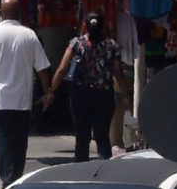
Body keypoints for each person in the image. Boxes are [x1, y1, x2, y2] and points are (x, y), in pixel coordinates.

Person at [0, 0, 49, 188]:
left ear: (0, 13)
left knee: (3, 143)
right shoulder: (29, 35)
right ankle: (15, 180)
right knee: (20, 144)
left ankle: (8, 180)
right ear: (20, 14)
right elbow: (43, 68)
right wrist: (48, 91)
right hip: (22, 101)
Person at [42, 14, 121, 161]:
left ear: (84, 26)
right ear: (103, 26)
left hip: (81, 95)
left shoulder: (76, 43)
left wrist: (51, 91)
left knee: (82, 135)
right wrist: (127, 95)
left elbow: (62, 69)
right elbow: (118, 73)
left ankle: (81, 170)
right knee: (102, 135)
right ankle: (105, 170)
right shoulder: (112, 45)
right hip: (104, 95)